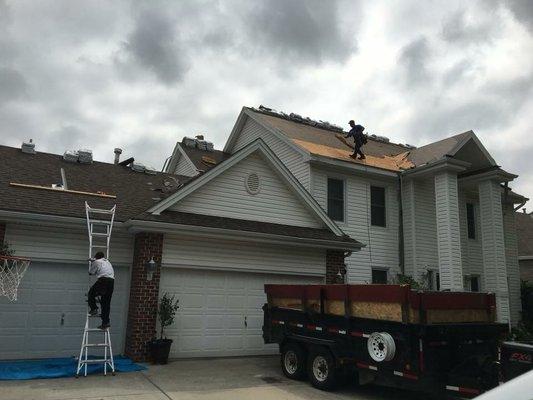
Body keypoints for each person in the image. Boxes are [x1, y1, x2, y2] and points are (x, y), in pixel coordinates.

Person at [88, 252, 114, 330]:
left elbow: (91, 272)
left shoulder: (97, 262)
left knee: (91, 293)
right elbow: (99, 261)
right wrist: (93, 260)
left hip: (103, 280)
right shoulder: (107, 262)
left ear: (96, 257)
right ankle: (105, 322)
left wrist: (92, 263)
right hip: (111, 282)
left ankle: (94, 309)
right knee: (106, 303)